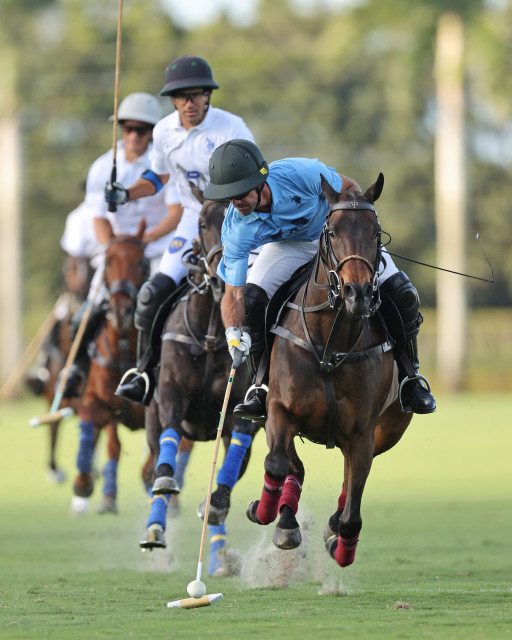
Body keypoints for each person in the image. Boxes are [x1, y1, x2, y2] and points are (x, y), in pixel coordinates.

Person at [202, 139, 436, 418]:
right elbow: (234, 295)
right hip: (289, 246)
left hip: (338, 236)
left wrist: (350, 230)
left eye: (240, 192)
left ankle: (411, 379)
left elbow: (349, 188)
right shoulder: (235, 226)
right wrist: (232, 332)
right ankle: (260, 387)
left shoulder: (300, 173)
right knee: (252, 302)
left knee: (402, 293)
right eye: (228, 197)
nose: (235, 202)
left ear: (259, 181)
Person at [105, 55, 256, 406]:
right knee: (150, 295)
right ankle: (143, 372)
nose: (190, 103)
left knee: (257, 296)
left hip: (235, 219)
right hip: (192, 220)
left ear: (208, 96)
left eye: (197, 94)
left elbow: (254, 174)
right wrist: (126, 193)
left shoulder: (231, 128)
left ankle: (260, 383)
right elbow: (157, 177)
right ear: (172, 100)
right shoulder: (163, 132)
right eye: (182, 96)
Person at [62, 91, 183, 397]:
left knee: (165, 306)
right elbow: (98, 218)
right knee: (87, 311)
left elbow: (175, 213)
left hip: (155, 247)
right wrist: (113, 248)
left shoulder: (163, 163)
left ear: (151, 133)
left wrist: (145, 240)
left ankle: (161, 369)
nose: (133, 135)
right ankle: (75, 368)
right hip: (117, 251)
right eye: (127, 128)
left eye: (141, 130)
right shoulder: (103, 167)